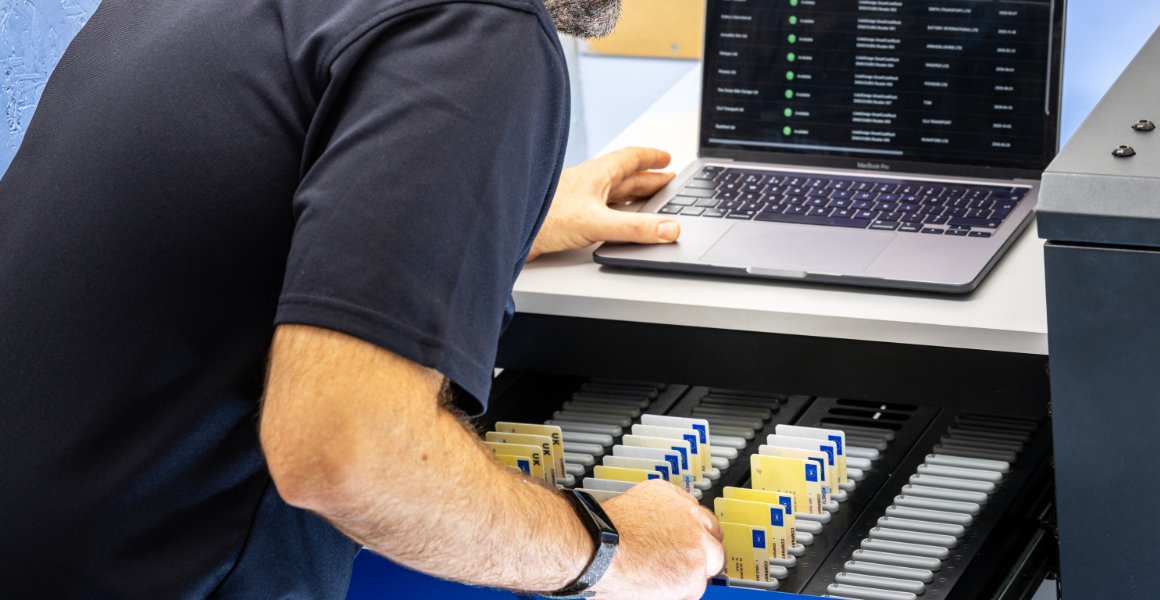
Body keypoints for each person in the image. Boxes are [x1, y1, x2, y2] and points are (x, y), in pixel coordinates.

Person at [0, 0, 724, 596]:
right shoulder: (482, 25)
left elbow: (220, 219)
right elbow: (347, 456)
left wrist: (485, 215)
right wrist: (614, 553)